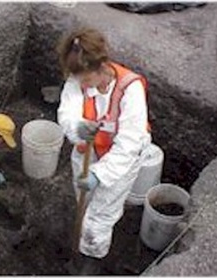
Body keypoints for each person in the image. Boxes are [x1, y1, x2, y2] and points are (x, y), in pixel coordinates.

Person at [57, 28, 152, 274]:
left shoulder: (130, 90)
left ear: (101, 68)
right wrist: (78, 127)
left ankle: (92, 260)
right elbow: (66, 114)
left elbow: (130, 143)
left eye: (86, 79)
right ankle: (78, 242)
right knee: (83, 199)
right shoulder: (77, 78)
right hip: (87, 152)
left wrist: (101, 174)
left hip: (120, 161)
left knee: (99, 219)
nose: (81, 84)